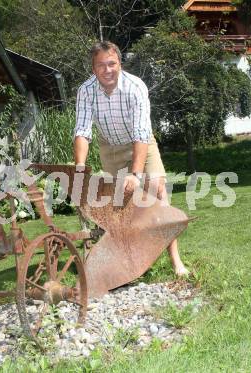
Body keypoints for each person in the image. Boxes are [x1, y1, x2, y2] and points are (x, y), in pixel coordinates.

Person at [73, 41, 188, 276]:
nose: (107, 70)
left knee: (157, 191)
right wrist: (80, 168)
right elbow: (82, 131)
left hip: (141, 143)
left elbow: (140, 134)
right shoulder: (85, 91)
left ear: (120, 63)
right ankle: (133, 262)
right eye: (101, 65)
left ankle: (176, 261)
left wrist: (136, 174)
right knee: (123, 204)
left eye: (112, 63)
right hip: (110, 147)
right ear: (93, 69)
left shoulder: (135, 87)